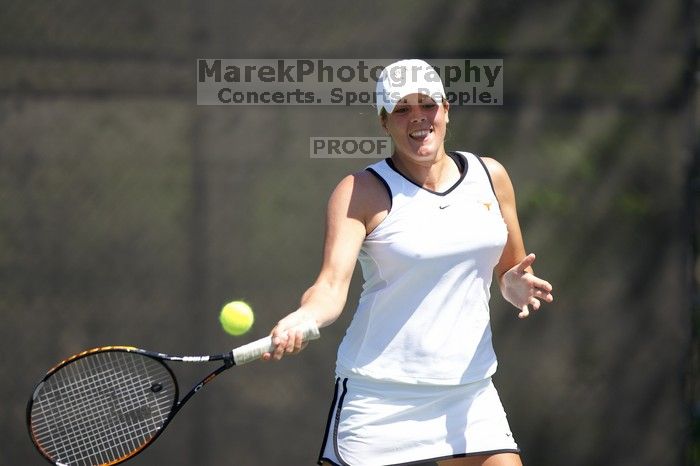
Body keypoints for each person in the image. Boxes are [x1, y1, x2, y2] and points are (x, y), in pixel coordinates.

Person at [262, 59, 554, 466]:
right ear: (384, 123)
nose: (418, 118)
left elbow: (510, 269)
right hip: (379, 394)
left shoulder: (492, 177)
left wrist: (514, 284)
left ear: (446, 110)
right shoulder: (360, 191)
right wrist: (302, 317)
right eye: (402, 109)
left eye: (427, 105)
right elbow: (330, 286)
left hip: (468, 391)